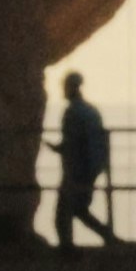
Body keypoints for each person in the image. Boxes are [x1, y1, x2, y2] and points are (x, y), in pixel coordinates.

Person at [53, 68, 116, 247]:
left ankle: (67, 250)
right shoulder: (91, 111)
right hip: (91, 169)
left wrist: (58, 148)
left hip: (75, 171)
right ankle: (109, 237)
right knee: (80, 209)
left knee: (63, 214)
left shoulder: (73, 113)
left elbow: (72, 142)